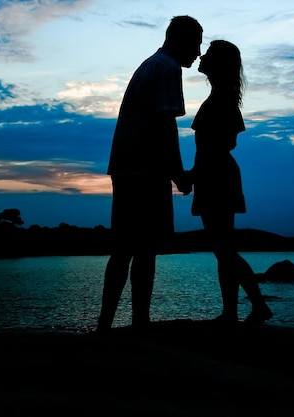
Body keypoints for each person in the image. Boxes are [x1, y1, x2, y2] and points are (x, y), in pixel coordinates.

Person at [97, 15, 203, 332]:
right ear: (180, 40)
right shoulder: (167, 68)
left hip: (125, 165)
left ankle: (105, 325)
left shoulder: (149, 64)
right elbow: (165, 125)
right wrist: (178, 173)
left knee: (123, 249)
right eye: (196, 43)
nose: (198, 53)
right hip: (146, 169)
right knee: (144, 250)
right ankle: (139, 324)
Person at [189, 40, 273, 326]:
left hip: (216, 176)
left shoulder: (222, 99)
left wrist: (194, 173)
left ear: (220, 63)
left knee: (223, 248)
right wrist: (194, 172)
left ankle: (258, 306)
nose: (202, 56)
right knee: (221, 248)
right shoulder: (220, 97)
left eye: (209, 54)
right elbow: (217, 145)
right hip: (214, 173)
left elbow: (222, 144)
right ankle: (231, 312)